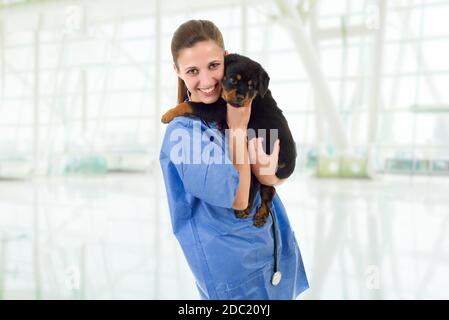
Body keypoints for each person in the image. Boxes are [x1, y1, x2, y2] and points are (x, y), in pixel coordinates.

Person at [159, 19, 308, 299]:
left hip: (273, 255)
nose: (207, 81)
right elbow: (238, 199)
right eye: (192, 71)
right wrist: (238, 128)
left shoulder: (233, 106)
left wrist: (271, 176)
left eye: (213, 66)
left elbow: (269, 174)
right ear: (178, 72)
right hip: (235, 277)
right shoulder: (184, 134)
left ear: (227, 59)